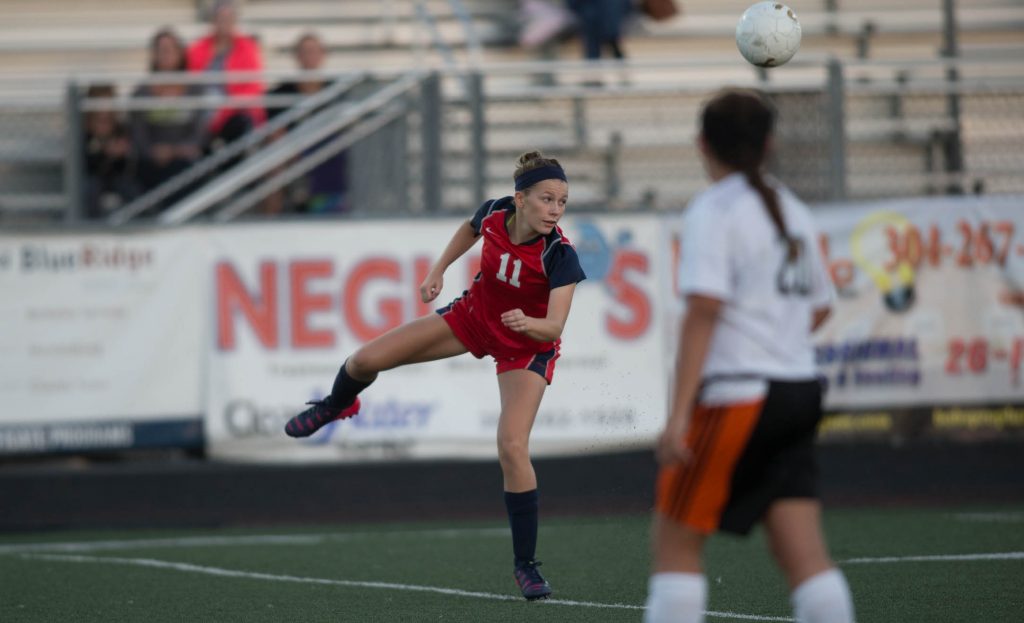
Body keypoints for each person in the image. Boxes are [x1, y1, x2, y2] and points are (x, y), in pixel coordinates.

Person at [284, 151, 586, 601]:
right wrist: (438, 270)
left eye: (562, 202)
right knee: (363, 361)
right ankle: (337, 404)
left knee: (512, 446)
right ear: (520, 199)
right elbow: (469, 229)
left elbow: (556, 326)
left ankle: (526, 565)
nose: (555, 210)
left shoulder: (559, 255)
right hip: (474, 318)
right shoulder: (495, 211)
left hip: (526, 346)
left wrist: (529, 324)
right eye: (547, 199)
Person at [643, 89, 855, 623]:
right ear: (769, 144)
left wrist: (679, 416)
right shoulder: (793, 209)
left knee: (675, 545)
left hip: (740, 393)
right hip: (797, 391)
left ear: (701, 144)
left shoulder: (714, 209)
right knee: (803, 556)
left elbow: (704, 312)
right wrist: (775, 336)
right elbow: (820, 308)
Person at [264, 32, 347, 215]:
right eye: (305, 52)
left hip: (325, 152)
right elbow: (276, 130)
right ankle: (270, 219)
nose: (310, 57)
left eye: (314, 51)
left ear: (323, 55)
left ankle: (328, 209)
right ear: (297, 56)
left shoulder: (336, 90)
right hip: (292, 151)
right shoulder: (281, 93)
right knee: (275, 161)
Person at [131, 28, 205, 210]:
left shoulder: (194, 89)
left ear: (180, 53)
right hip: (152, 158)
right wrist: (152, 151)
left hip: (184, 157)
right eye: (161, 50)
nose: (166, 54)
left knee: (183, 171)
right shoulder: (141, 92)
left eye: (171, 49)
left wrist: (177, 150)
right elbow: (137, 131)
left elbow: (201, 130)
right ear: (154, 55)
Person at [187, 0, 265, 150]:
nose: (224, 23)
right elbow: (190, 83)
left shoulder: (247, 48)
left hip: (234, 112)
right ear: (213, 20)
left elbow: (252, 88)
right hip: (202, 111)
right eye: (220, 18)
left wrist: (222, 111)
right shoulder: (197, 48)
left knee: (239, 127)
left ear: (234, 20)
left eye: (228, 18)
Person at [83, 84, 135, 219]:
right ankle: (91, 224)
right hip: (92, 176)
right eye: (99, 102)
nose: (104, 108)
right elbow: (84, 162)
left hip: (116, 175)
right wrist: (103, 150)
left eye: (108, 102)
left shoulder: (120, 127)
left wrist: (121, 153)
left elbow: (125, 165)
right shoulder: (83, 129)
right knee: (91, 188)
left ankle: (137, 221)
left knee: (130, 188)